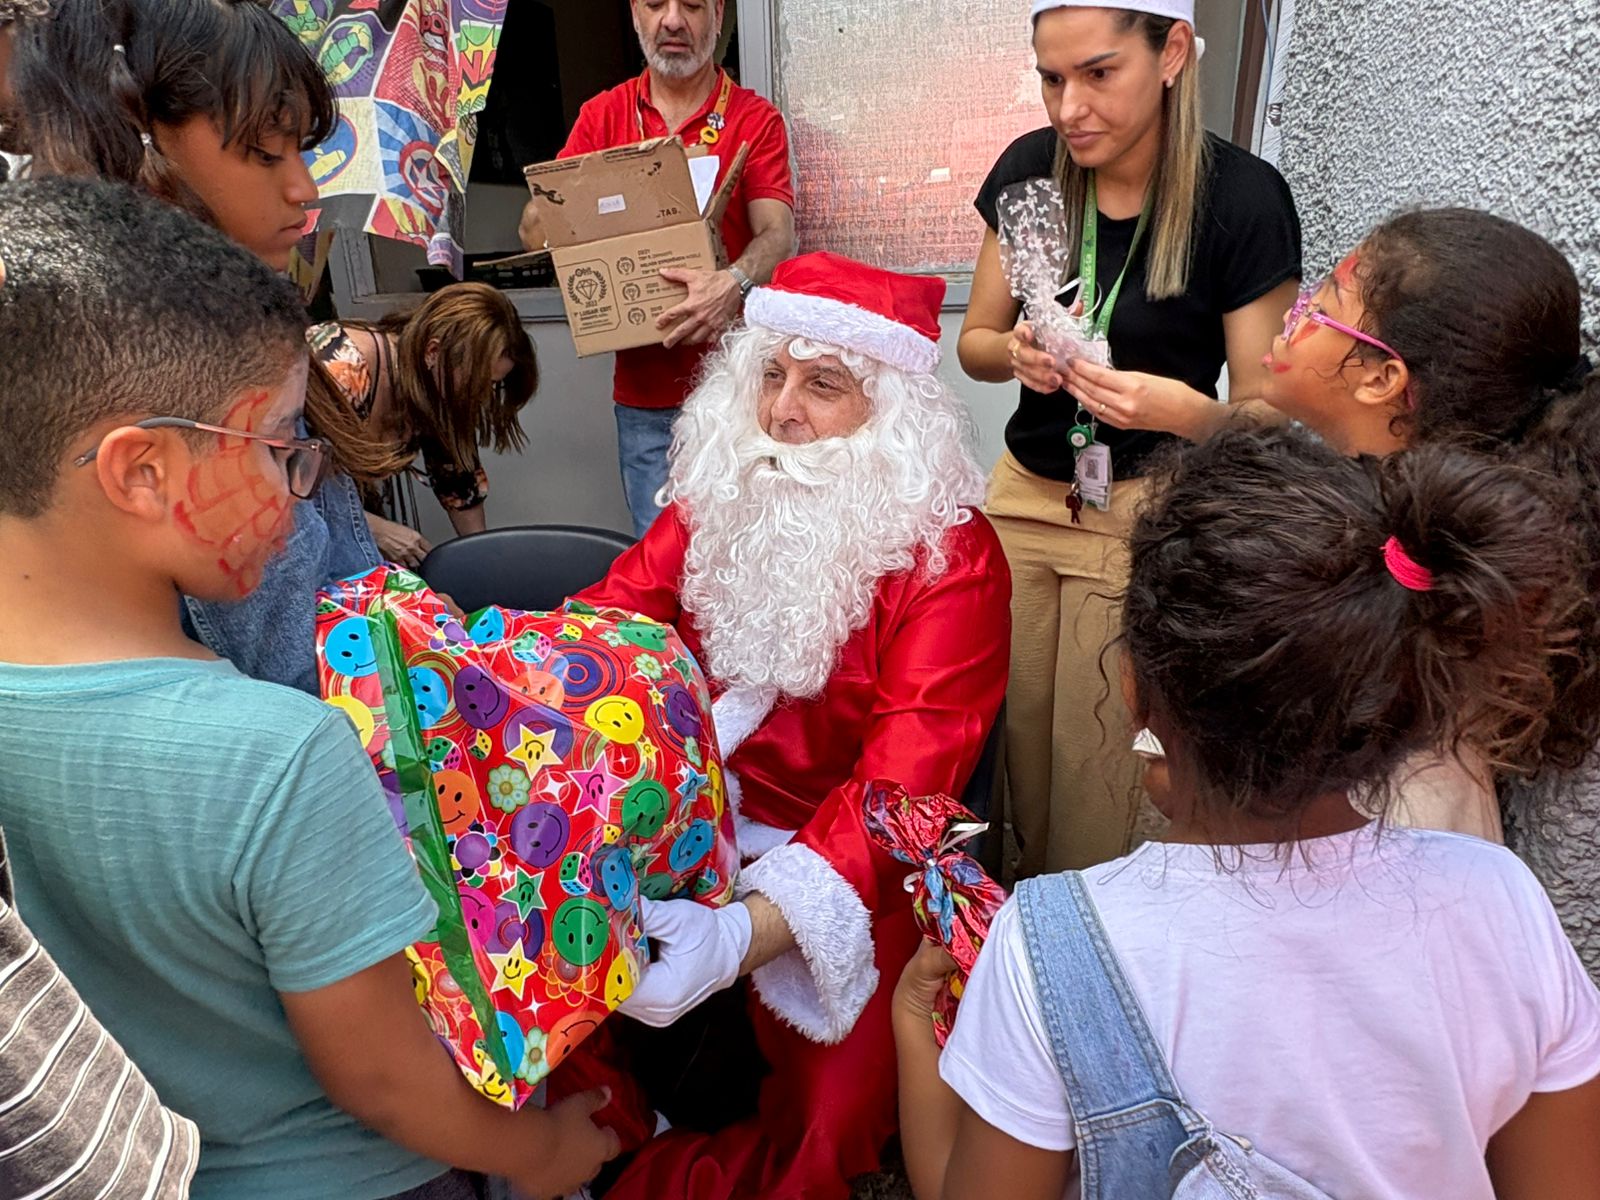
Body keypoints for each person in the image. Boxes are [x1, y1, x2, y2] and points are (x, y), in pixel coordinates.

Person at [0, 178, 619, 1200]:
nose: (309, 498)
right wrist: (546, 1154)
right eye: (286, 449)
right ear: (143, 472)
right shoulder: (280, 753)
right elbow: (382, 1080)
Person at [894, 425, 1600, 1200]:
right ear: (1387, 696)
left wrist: (911, 1024)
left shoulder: (1047, 946)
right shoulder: (1499, 901)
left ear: (1134, 685)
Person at [549, 252, 1010, 1200]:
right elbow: (602, 632)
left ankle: (649, 1180)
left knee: (833, 1128)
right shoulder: (721, 496)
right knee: (545, 979)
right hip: (683, 822)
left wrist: (742, 935)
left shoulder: (951, 557)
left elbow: (900, 795)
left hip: (857, 871)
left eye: (823, 385)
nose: (781, 411)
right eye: (771, 372)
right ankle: (593, 1150)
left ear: (893, 417)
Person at [960, 0, 1301, 879]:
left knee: (1100, 751)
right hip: (1026, 497)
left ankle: (1077, 932)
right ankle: (982, 933)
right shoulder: (1032, 172)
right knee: (997, 733)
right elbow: (975, 344)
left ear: (1174, 53)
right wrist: (1019, 353)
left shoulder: (1242, 196)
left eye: (1099, 73)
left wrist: (1177, 409)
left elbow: (1266, 415)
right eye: (1050, 78)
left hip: (1146, 512)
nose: (1068, 107)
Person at [8, 0, 393, 694]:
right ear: (146, 137)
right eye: (266, 152)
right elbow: (292, 669)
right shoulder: (195, 370)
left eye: (303, 149)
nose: (304, 188)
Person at [1258, 207, 1600, 845]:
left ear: (1384, 378)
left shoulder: (1391, 573)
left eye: (1326, 300)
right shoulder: (1409, 535)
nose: (1294, 310)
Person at [517, 0, 796, 538]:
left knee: (744, 554)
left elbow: (778, 235)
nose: (673, 20)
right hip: (645, 401)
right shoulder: (604, 117)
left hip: (738, 391)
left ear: (717, 14)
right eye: (655, 4)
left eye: (691, 4)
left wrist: (732, 283)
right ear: (634, 12)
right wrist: (597, 196)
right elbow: (536, 231)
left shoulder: (752, 118)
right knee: (659, 558)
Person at [309, 282, 539, 564]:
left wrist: (484, 568)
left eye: (492, 385)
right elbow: (285, 489)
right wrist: (377, 530)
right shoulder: (341, 366)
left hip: (343, 524)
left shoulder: (435, 386)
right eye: (477, 383)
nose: (482, 397)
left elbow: (461, 488)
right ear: (433, 352)